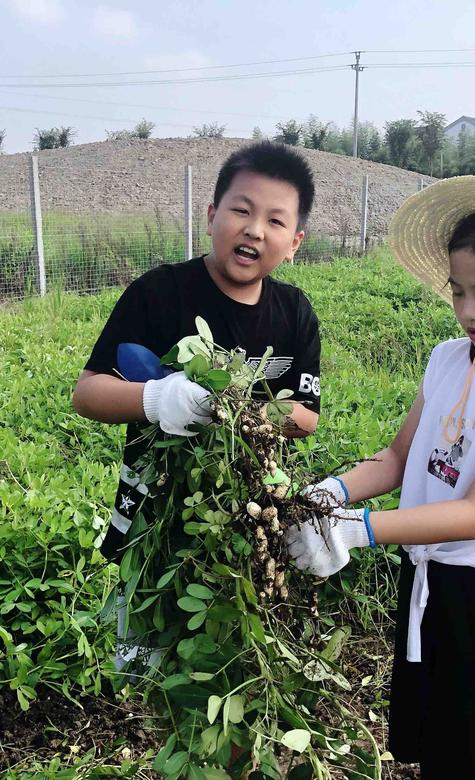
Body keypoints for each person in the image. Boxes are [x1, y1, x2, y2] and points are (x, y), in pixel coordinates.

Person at [287, 176, 475, 780]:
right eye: (458, 291)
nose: (469, 310)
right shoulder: (446, 359)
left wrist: (358, 529)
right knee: (438, 733)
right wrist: (332, 494)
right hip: (425, 581)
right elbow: (397, 458)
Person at [73, 140, 321, 669]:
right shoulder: (159, 293)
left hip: (247, 521)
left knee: (232, 655)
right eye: (241, 210)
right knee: (145, 661)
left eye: (276, 221)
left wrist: (237, 412)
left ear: (295, 242)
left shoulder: (295, 313)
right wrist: (158, 397)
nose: (255, 229)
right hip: (155, 513)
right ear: (211, 215)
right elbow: (88, 392)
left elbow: (305, 416)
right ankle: (144, 720)